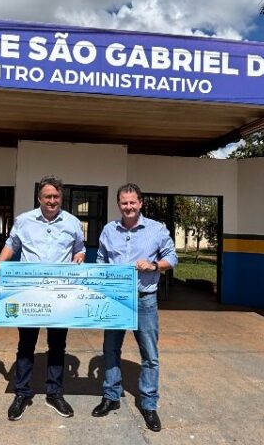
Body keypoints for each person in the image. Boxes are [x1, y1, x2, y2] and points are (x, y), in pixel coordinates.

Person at [0, 175, 86, 421]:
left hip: (59, 294)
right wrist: (1, 260)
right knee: (26, 345)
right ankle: (22, 393)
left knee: (57, 345)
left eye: (56, 196)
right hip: (29, 293)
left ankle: (55, 393)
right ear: (39, 198)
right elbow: (12, 244)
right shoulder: (24, 220)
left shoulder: (73, 222)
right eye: (47, 197)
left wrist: (80, 257)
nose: (52, 201)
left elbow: (79, 248)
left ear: (61, 197)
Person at [91, 183, 178, 432]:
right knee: (110, 349)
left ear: (140, 203)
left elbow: (172, 257)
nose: (128, 207)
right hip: (116, 299)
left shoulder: (156, 229)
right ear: (119, 204)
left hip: (144, 299)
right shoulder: (109, 230)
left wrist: (154, 265)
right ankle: (111, 396)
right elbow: (101, 260)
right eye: (124, 203)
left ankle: (149, 404)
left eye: (132, 202)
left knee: (149, 354)